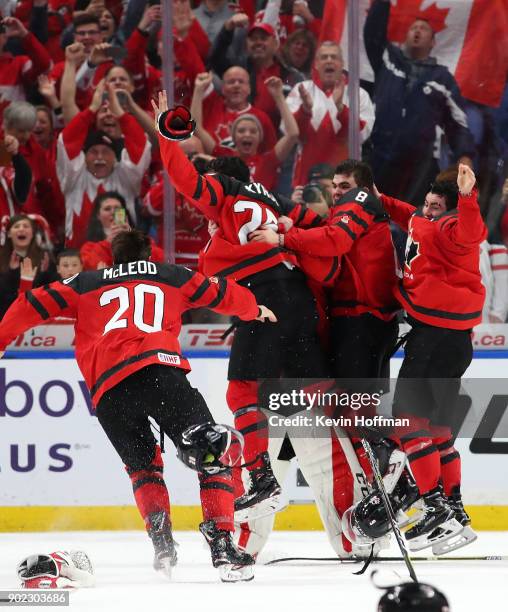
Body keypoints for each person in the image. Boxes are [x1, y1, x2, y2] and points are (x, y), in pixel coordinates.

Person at [0, 229, 277, 582]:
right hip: (159, 372)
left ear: (113, 259)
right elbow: (218, 292)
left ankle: (162, 545)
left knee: (143, 469)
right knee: (213, 455)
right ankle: (222, 544)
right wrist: (255, 309)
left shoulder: (86, 281)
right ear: (148, 256)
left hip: (109, 390)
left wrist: (2, 341)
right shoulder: (169, 274)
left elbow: (31, 303)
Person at [153, 93, 332, 518]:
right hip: (299, 297)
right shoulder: (271, 198)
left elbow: (182, 177)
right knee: (318, 394)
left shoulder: (224, 191)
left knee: (241, 392)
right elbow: (320, 226)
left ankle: (263, 480)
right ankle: (369, 460)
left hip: (263, 298)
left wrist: (166, 134)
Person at [378, 165, 485, 552]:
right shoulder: (427, 222)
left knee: (408, 423)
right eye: (426, 204)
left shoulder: (452, 228)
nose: (426, 211)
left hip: (434, 339)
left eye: (435, 206)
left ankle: (433, 507)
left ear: (451, 210)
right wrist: (376, 196)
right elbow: (410, 215)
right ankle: (455, 511)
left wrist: (469, 197)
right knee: (439, 431)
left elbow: (470, 232)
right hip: (454, 341)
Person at [364, 0, 475, 205]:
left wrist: (465, 156)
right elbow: (373, 32)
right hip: (377, 155)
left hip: (417, 167)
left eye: (423, 29)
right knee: (370, 217)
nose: (417, 31)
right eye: (413, 28)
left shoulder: (442, 78)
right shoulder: (387, 58)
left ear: (433, 42)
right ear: (405, 36)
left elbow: (459, 124)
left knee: (412, 223)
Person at [57, 82, 151, 248]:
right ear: (84, 157)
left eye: (106, 152)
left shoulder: (125, 177)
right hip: (78, 262)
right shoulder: (74, 176)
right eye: (94, 151)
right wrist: (92, 109)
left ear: (116, 157)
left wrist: (121, 114)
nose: (99, 157)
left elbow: (141, 146)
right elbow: (66, 142)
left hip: (121, 259)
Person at [285, 42, 375, 186]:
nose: (329, 60)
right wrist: (305, 111)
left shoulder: (359, 94)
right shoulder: (301, 89)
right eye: (324, 57)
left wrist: (340, 109)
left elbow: (361, 135)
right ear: (316, 64)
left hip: (347, 179)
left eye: (333, 57)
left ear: (341, 64)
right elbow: (290, 133)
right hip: (307, 180)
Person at [194, 74, 299, 190]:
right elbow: (196, 128)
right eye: (241, 131)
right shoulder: (224, 157)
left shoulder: (268, 161)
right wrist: (198, 90)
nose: (247, 134)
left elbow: (293, 134)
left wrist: (278, 96)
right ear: (233, 137)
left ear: (260, 138)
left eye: (253, 131)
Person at [190, 67, 276, 153]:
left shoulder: (262, 118)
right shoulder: (212, 106)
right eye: (231, 82)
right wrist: (199, 89)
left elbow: (270, 155)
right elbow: (195, 127)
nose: (236, 85)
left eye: (241, 82)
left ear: (249, 89)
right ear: (223, 89)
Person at [79, 191, 164, 270]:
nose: (112, 212)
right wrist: (108, 242)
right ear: (98, 215)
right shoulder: (89, 247)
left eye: (117, 208)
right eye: (107, 209)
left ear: (125, 213)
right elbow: (91, 268)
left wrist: (133, 239)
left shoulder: (144, 240)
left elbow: (159, 260)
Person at [0, 214, 57, 320]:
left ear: (33, 234)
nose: (21, 229)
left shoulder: (45, 257)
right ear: (8, 234)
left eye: (26, 226)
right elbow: (3, 296)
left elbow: (51, 293)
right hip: (6, 319)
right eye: (17, 226)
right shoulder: (1, 259)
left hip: (39, 320)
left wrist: (45, 274)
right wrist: (12, 273)